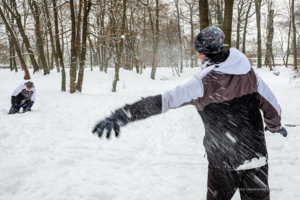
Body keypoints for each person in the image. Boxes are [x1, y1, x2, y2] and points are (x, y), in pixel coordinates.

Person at [92, 26, 287, 200]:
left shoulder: (202, 83)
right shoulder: (249, 72)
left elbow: (164, 101)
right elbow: (272, 106)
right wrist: (275, 126)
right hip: (256, 156)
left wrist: (124, 114)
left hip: (224, 161)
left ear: (201, 52)